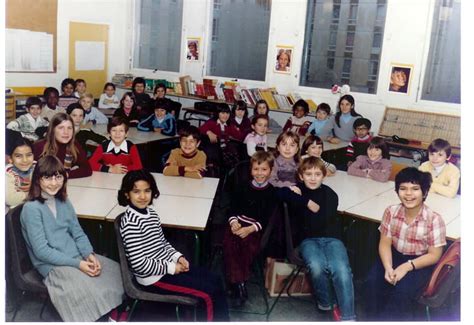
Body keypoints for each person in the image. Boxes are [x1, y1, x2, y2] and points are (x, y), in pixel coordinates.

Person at [20, 155, 125, 322]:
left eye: (58, 176)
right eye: (47, 177)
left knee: (117, 272)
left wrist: (89, 254)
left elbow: (77, 232)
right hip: (51, 265)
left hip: (74, 255)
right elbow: (41, 251)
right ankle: (102, 318)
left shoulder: (64, 201)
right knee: (92, 289)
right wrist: (79, 264)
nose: (54, 182)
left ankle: (114, 314)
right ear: (37, 179)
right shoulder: (31, 209)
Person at [118, 169, 229, 321]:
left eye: (147, 191)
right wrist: (172, 268)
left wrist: (178, 257)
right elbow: (139, 265)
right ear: (127, 194)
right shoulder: (131, 223)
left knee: (215, 279)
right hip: (153, 279)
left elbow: (162, 243)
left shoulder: (151, 214)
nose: (143, 196)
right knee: (208, 294)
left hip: (166, 269)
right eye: (136, 192)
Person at [278, 157, 356, 321]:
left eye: (317, 174)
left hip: (332, 239)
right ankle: (326, 303)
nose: (313, 178)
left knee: (341, 269)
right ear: (301, 176)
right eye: (308, 174)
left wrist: (300, 202)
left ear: (324, 175)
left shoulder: (330, 194)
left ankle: (349, 317)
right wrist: (305, 201)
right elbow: (280, 193)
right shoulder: (297, 191)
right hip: (308, 240)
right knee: (317, 266)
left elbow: (320, 221)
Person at [365, 167, 446, 321]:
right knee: (371, 283)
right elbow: (384, 243)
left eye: (415, 189)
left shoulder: (434, 219)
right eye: (403, 189)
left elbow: (434, 255)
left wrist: (406, 266)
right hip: (393, 256)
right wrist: (388, 267)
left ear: (425, 192)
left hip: (419, 262)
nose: (408, 194)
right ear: (397, 191)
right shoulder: (391, 211)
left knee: (402, 293)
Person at [222, 151, 277, 305]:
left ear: (270, 171)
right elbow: (232, 209)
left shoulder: (271, 192)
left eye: (264, 169)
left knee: (246, 247)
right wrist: (234, 223)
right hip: (237, 224)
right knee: (230, 245)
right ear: (251, 170)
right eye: (256, 169)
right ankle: (239, 284)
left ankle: (237, 284)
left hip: (254, 229)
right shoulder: (242, 187)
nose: (259, 173)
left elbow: (266, 219)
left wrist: (249, 229)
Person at [33, 113, 92, 179]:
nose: (66, 132)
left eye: (69, 128)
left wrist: (65, 175)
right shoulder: (40, 146)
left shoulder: (74, 145)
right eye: (61, 128)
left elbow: (87, 169)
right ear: (53, 130)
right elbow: (34, 172)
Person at [199, 103, 242, 169]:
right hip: (215, 150)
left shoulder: (228, 124)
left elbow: (239, 136)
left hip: (225, 149)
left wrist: (237, 129)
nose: (225, 116)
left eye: (227, 113)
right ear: (217, 113)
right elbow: (200, 129)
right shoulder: (212, 122)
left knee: (236, 159)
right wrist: (208, 132)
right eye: (222, 113)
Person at [5, 137, 36, 209]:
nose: (25, 160)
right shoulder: (8, 172)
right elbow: (10, 199)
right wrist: (34, 192)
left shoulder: (37, 167)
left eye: (29, 155)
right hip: (16, 210)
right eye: (18, 156)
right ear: (10, 159)